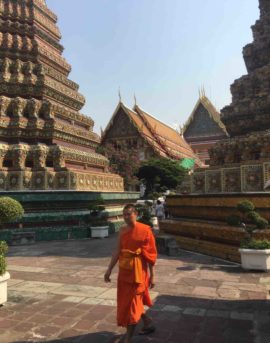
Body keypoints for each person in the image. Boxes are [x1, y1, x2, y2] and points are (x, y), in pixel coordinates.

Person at [104, 204, 157, 343]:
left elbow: (150, 255)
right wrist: (109, 269)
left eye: (129, 214)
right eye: (124, 214)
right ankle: (148, 322)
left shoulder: (145, 230)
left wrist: (152, 276)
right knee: (128, 302)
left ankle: (128, 338)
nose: (126, 217)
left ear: (136, 214)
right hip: (125, 271)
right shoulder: (122, 230)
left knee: (133, 304)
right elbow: (117, 251)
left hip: (139, 273)